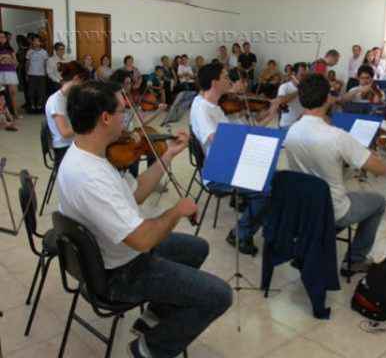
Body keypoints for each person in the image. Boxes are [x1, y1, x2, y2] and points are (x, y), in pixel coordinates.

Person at [57, 80, 232, 358]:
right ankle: (147, 349)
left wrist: (168, 155)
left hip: (112, 254)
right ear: (105, 118)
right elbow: (142, 239)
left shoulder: (86, 154)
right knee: (220, 295)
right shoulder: (91, 177)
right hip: (118, 273)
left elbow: (135, 192)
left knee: (197, 248)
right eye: (122, 111)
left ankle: (152, 317)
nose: (126, 118)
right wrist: (176, 211)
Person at [284, 73, 386, 274]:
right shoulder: (337, 136)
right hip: (333, 208)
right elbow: (381, 169)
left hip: (304, 206)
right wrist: (366, 154)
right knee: (378, 202)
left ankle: (310, 244)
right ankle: (355, 260)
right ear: (327, 98)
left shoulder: (292, 130)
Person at [190, 62, 268, 255]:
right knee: (265, 189)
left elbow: (230, 135)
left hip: (229, 163)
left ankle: (251, 209)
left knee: (270, 173)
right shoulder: (202, 108)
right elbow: (219, 141)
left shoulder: (212, 105)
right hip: (217, 172)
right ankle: (240, 234)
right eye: (225, 77)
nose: (230, 81)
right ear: (214, 82)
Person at [44, 61, 89, 166]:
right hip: (64, 148)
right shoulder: (56, 100)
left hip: (72, 144)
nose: (83, 88)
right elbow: (65, 133)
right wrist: (88, 125)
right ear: (76, 79)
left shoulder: (67, 98)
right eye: (83, 84)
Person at [269, 62, 308, 129]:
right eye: (301, 75)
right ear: (294, 74)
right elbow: (281, 101)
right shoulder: (284, 87)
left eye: (305, 75)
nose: (304, 78)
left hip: (301, 126)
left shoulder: (307, 88)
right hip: (287, 125)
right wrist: (299, 91)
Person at [26, 35, 49, 112]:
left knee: (41, 91)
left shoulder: (44, 52)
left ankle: (39, 105)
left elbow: (45, 63)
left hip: (41, 74)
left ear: (41, 42)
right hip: (32, 74)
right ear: (32, 42)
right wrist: (26, 73)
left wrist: (46, 73)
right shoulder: (29, 52)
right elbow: (27, 63)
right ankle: (32, 105)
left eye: (38, 41)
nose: (36, 42)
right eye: (35, 41)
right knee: (31, 91)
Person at [0, 31, 20, 118]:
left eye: (3, 37)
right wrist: (2, 58)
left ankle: (15, 112)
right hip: (1, 73)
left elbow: (16, 63)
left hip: (11, 73)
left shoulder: (10, 49)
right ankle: (5, 114)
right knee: (2, 95)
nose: (1, 39)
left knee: (13, 93)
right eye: (0, 37)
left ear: (6, 38)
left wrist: (9, 59)